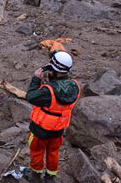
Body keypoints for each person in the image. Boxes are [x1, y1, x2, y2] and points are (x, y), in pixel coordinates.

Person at [25, 51, 81, 183]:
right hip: (58, 129)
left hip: (40, 129)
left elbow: (31, 96)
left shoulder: (47, 91)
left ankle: (35, 175)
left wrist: (36, 80)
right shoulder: (75, 86)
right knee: (53, 152)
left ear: (53, 70)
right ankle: (50, 177)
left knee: (37, 151)